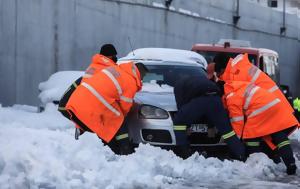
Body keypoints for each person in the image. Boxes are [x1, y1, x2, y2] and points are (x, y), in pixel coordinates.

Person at [213, 53, 299, 175]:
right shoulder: (239, 69)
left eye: (219, 74)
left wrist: (235, 140)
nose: (220, 78)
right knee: (278, 135)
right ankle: (290, 163)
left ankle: (254, 162)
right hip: (275, 103)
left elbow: (237, 119)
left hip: (261, 108)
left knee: (250, 134)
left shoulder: (234, 83)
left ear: (222, 69)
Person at [64, 61, 148, 155]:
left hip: (79, 100)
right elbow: (125, 106)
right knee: (119, 122)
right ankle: (125, 151)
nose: (142, 80)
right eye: (143, 77)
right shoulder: (131, 81)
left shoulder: (117, 69)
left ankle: (108, 147)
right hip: (95, 102)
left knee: (109, 123)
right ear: (140, 72)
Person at [172, 74, 246, 161]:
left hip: (200, 101)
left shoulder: (178, 86)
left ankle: (184, 153)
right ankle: (241, 155)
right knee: (227, 131)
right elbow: (210, 108)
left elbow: (181, 106)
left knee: (178, 122)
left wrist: (186, 126)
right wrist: (211, 125)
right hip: (215, 99)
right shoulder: (203, 78)